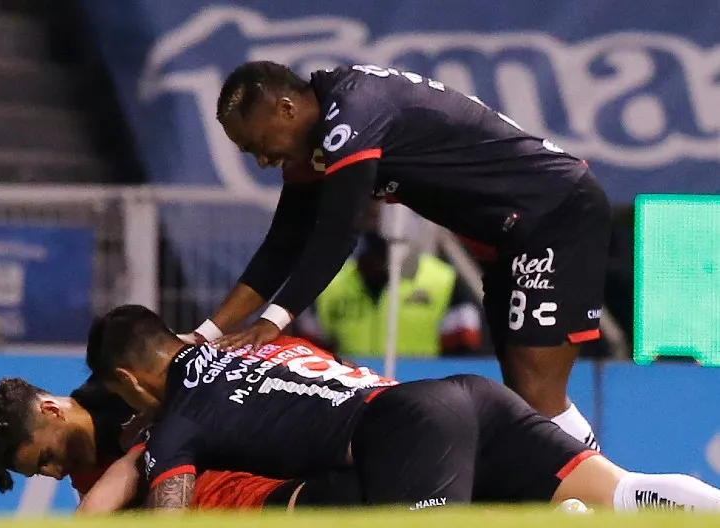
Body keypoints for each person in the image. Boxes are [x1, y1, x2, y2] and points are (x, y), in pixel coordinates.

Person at [180, 60, 613, 449]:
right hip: (513, 233)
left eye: (259, 143)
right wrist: (206, 333)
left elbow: (337, 233)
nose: (261, 160)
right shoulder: (317, 138)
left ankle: (608, 493)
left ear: (287, 109)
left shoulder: (353, 112)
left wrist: (273, 321)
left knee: (536, 388)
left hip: (554, 210)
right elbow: (282, 245)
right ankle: (584, 496)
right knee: (523, 393)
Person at [90, 305, 720, 512]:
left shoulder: (180, 419)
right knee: (626, 491)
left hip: (406, 430)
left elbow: (167, 516)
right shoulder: (268, 344)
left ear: (126, 379)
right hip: (465, 396)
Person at [0, 377, 363, 513]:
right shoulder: (89, 480)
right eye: (40, 472)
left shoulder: (128, 386)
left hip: (303, 443)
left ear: (51, 409)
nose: (55, 473)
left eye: (46, 458)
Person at [315, 230, 482, 357]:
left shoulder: (440, 279)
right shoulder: (332, 282)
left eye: (374, 257)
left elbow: (465, 346)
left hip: (422, 384)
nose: (367, 264)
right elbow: (312, 343)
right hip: (353, 388)